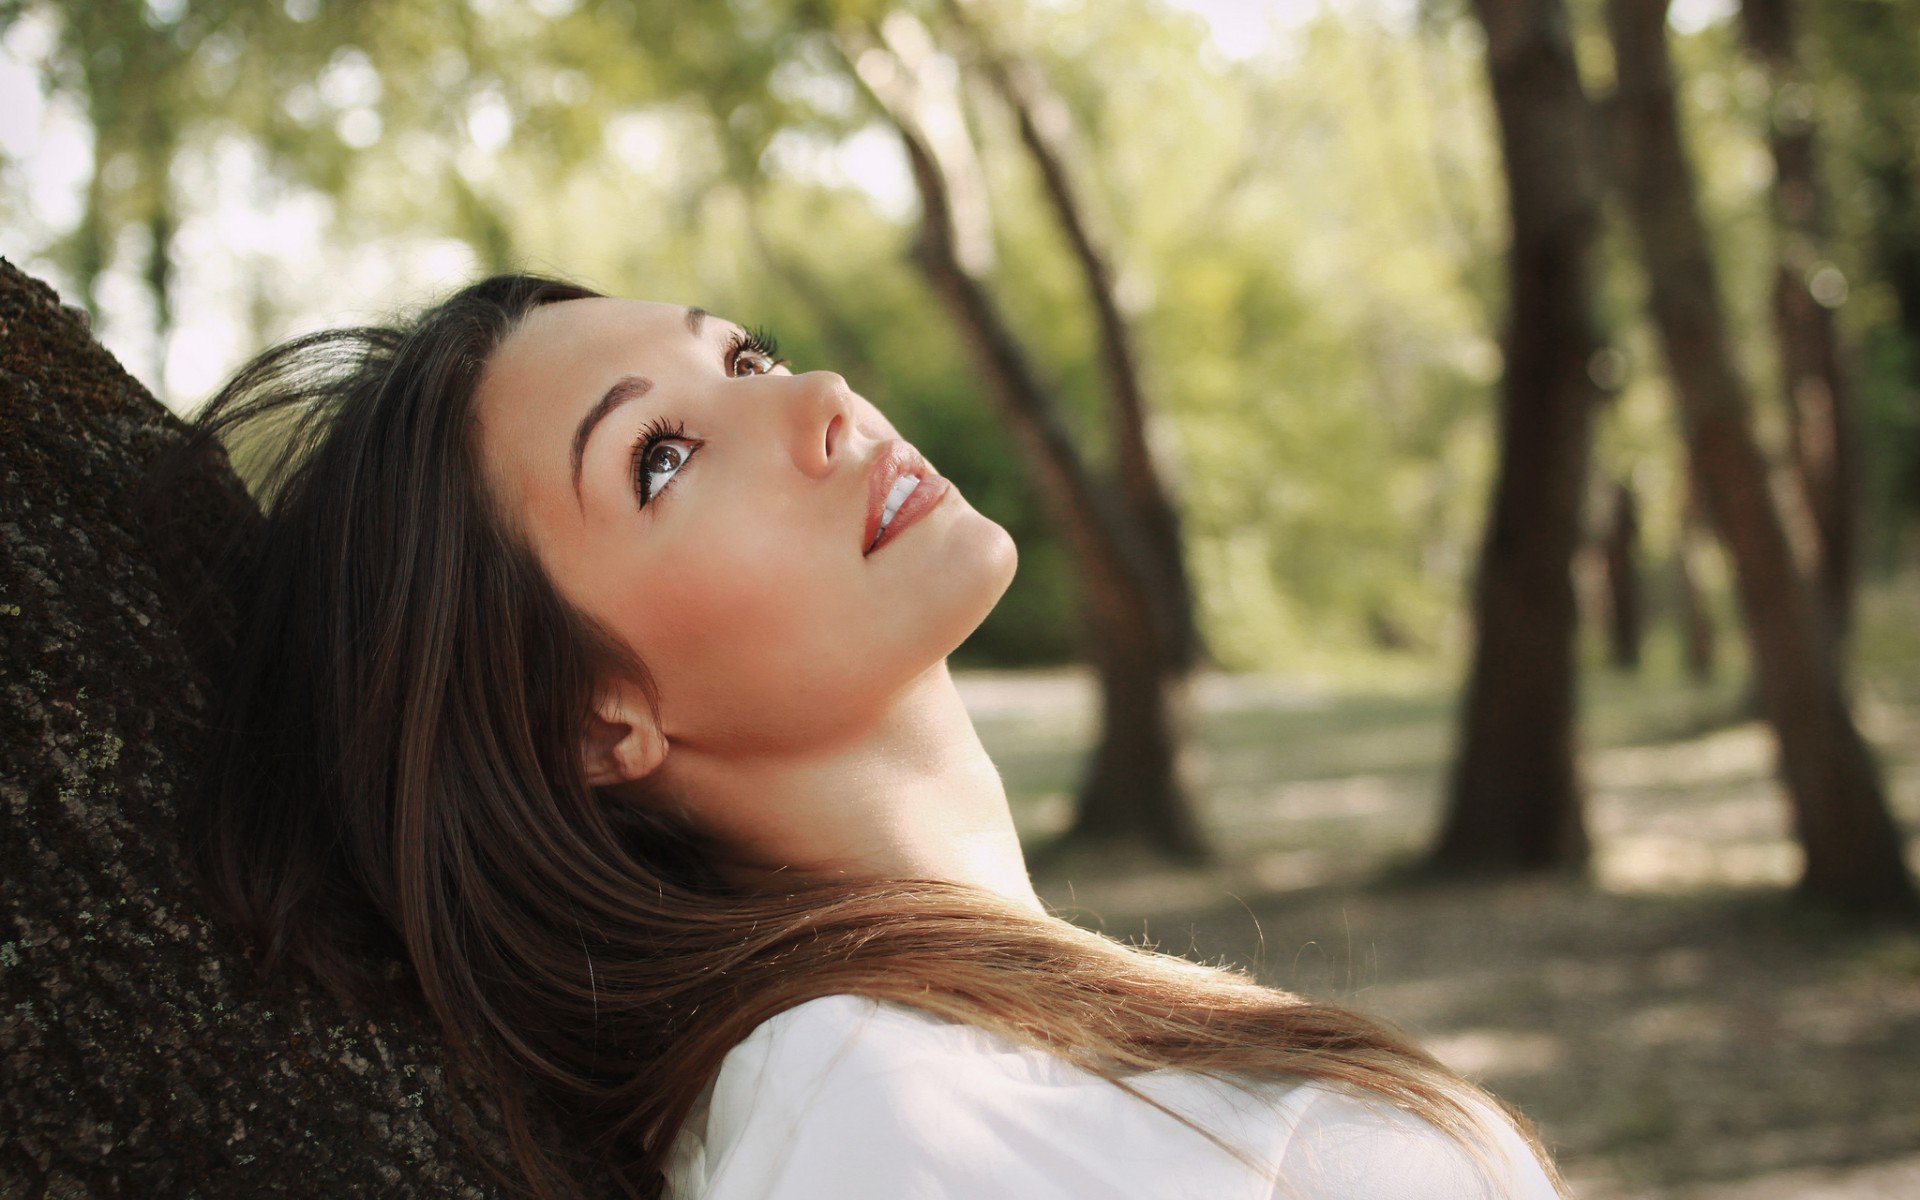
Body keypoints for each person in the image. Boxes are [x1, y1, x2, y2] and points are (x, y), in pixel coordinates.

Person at [145, 273, 1568, 1199]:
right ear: (593, 716)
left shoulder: (943, 1042)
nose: (818, 404)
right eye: (663, 457)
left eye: (745, 355)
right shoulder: (865, 1106)